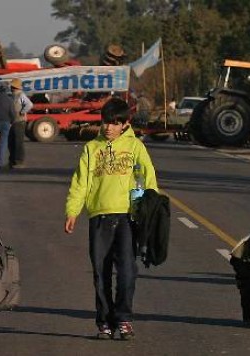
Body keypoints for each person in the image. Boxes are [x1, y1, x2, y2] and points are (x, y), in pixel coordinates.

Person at [64, 97, 158, 340]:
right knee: (100, 272)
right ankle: (105, 322)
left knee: (127, 271)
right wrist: (73, 211)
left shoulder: (136, 147)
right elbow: (80, 183)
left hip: (128, 217)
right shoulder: (91, 149)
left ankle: (124, 318)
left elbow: (149, 179)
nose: (109, 128)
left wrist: (151, 210)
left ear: (125, 124)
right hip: (100, 217)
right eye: (106, 122)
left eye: (115, 123)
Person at [8, 78, 33, 169]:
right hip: (13, 121)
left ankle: (18, 161)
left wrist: (23, 111)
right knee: (11, 142)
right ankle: (12, 160)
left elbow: (29, 104)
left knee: (18, 142)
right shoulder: (12, 95)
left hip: (20, 121)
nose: (10, 87)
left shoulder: (21, 95)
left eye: (12, 86)